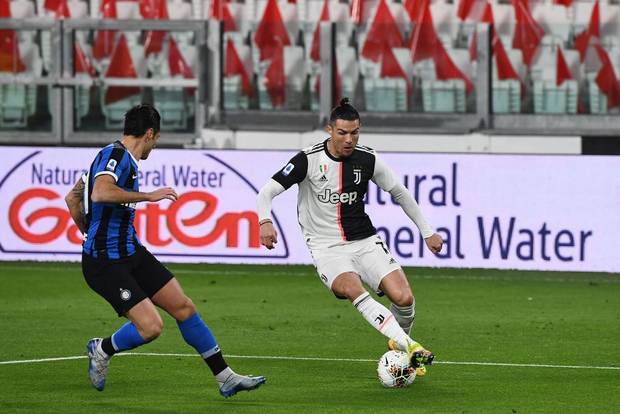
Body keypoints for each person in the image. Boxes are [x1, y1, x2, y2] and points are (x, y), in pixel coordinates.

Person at [65, 104, 265, 397]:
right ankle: (102, 349)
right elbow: (100, 192)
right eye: (156, 139)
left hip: (131, 252)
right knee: (151, 327)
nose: (155, 145)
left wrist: (86, 231)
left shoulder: (113, 157)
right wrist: (148, 196)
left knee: (183, 307)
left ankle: (226, 378)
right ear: (149, 133)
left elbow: (72, 197)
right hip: (106, 263)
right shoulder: (116, 156)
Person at [256, 98, 443, 375]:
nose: (349, 139)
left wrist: (427, 232)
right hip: (326, 247)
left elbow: (400, 192)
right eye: (342, 133)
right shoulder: (307, 160)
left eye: (355, 133)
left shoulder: (368, 159)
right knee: (354, 289)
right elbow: (266, 192)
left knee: (404, 298)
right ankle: (411, 347)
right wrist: (265, 221)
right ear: (330, 130)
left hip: (364, 240)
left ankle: (400, 345)